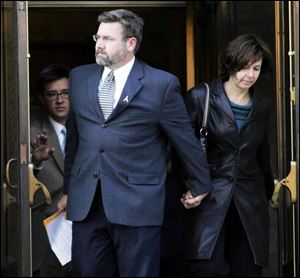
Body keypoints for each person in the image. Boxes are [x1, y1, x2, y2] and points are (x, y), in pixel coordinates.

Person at [57, 9, 211, 277]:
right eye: (98, 37)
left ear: (131, 43)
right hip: (87, 203)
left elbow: (184, 139)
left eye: (108, 38)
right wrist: (69, 188)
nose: (99, 44)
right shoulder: (79, 77)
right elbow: (75, 139)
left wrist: (200, 184)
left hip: (138, 203)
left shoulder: (160, 84)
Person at [183, 34, 274, 277]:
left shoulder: (262, 104)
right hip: (209, 198)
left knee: (247, 269)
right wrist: (190, 186)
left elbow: (262, 154)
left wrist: (267, 193)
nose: (250, 75)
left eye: (256, 68)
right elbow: (182, 149)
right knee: (208, 268)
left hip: (249, 201)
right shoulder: (201, 98)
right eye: (244, 67)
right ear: (231, 64)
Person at [30, 64, 72, 277]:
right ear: (41, 99)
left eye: (65, 93)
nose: (59, 100)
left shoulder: (90, 128)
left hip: (86, 232)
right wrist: (35, 162)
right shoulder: (30, 132)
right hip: (47, 234)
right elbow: (15, 183)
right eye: (52, 94)